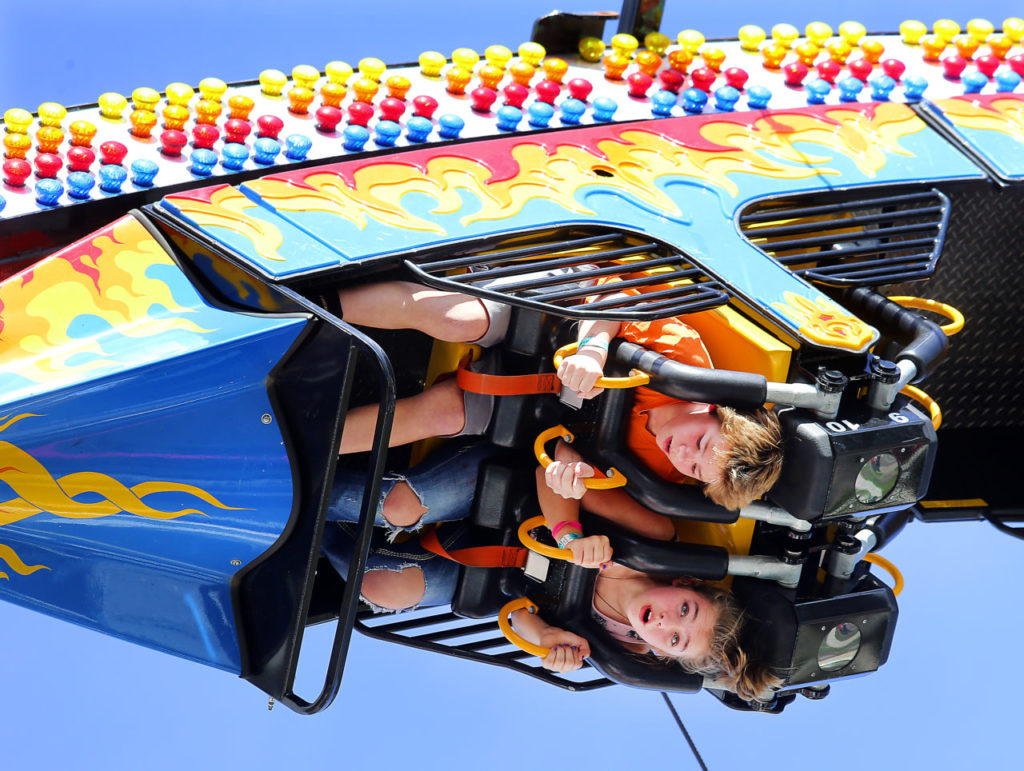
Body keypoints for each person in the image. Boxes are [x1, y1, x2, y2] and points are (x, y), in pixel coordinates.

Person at [322, 437, 779, 701]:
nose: (666, 622)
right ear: (685, 582)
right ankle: (301, 486)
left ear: (660, 654)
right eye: (685, 608)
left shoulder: (613, 642)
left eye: (674, 638)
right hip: (505, 488)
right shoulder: (652, 538)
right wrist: (570, 536)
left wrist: (544, 638)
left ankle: (315, 532)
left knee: (383, 589)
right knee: (400, 508)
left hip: (495, 564)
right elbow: (552, 470)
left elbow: (515, 611)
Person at [332, 278, 783, 511]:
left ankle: (312, 440)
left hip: (537, 401)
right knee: (460, 320)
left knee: (442, 416)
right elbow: (610, 300)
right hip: (558, 309)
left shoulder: (669, 471)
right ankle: (314, 306)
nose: (685, 455)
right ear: (716, 411)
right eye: (701, 443)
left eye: (696, 469)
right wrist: (592, 350)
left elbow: (580, 454)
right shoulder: (683, 360)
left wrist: (568, 470)